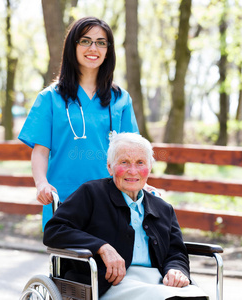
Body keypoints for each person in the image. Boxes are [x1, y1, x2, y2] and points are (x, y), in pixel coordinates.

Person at [43, 132, 208, 300]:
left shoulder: (162, 208)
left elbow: (176, 252)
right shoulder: (91, 194)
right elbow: (54, 230)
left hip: (159, 281)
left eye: (140, 163)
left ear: (149, 167)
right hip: (109, 283)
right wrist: (101, 247)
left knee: (197, 296)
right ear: (109, 167)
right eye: (124, 162)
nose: (132, 171)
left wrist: (176, 269)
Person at [18, 17, 138, 228]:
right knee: (69, 260)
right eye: (85, 41)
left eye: (101, 42)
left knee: (111, 260)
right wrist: (41, 183)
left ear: (108, 50)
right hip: (64, 200)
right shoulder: (49, 98)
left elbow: (133, 153)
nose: (94, 48)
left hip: (111, 200)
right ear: (72, 46)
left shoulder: (121, 99)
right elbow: (40, 151)